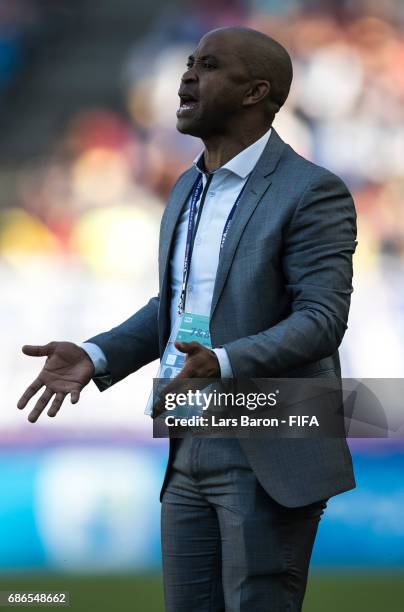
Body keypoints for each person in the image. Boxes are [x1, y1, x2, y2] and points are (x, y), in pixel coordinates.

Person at [17, 27, 357, 612]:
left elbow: (322, 318)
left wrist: (223, 363)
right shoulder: (184, 188)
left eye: (210, 65)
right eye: (189, 62)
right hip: (188, 432)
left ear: (255, 92)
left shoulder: (312, 191)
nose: (187, 76)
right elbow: (174, 306)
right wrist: (99, 354)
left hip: (271, 431)